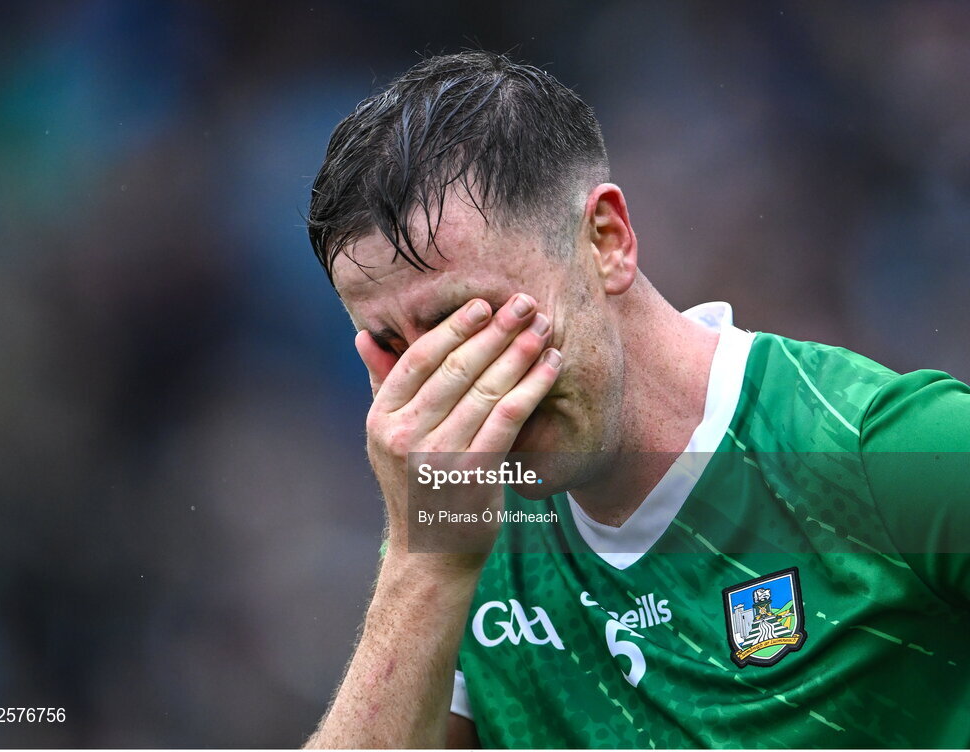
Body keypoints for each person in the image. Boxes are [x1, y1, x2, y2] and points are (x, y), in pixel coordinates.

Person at [303, 51, 969, 748]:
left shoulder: (883, 450)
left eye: (471, 323)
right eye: (395, 346)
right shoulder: (455, 528)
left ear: (607, 241)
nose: (453, 388)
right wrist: (424, 566)